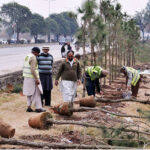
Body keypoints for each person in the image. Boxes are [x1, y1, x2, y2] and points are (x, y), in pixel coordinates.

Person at [23, 47, 46, 113]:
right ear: (35, 52)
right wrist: (36, 78)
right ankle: (38, 108)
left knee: (29, 93)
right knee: (37, 93)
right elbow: (33, 69)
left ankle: (29, 107)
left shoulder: (27, 56)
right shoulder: (33, 57)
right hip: (32, 78)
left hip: (27, 77)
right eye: (38, 54)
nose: (38, 55)